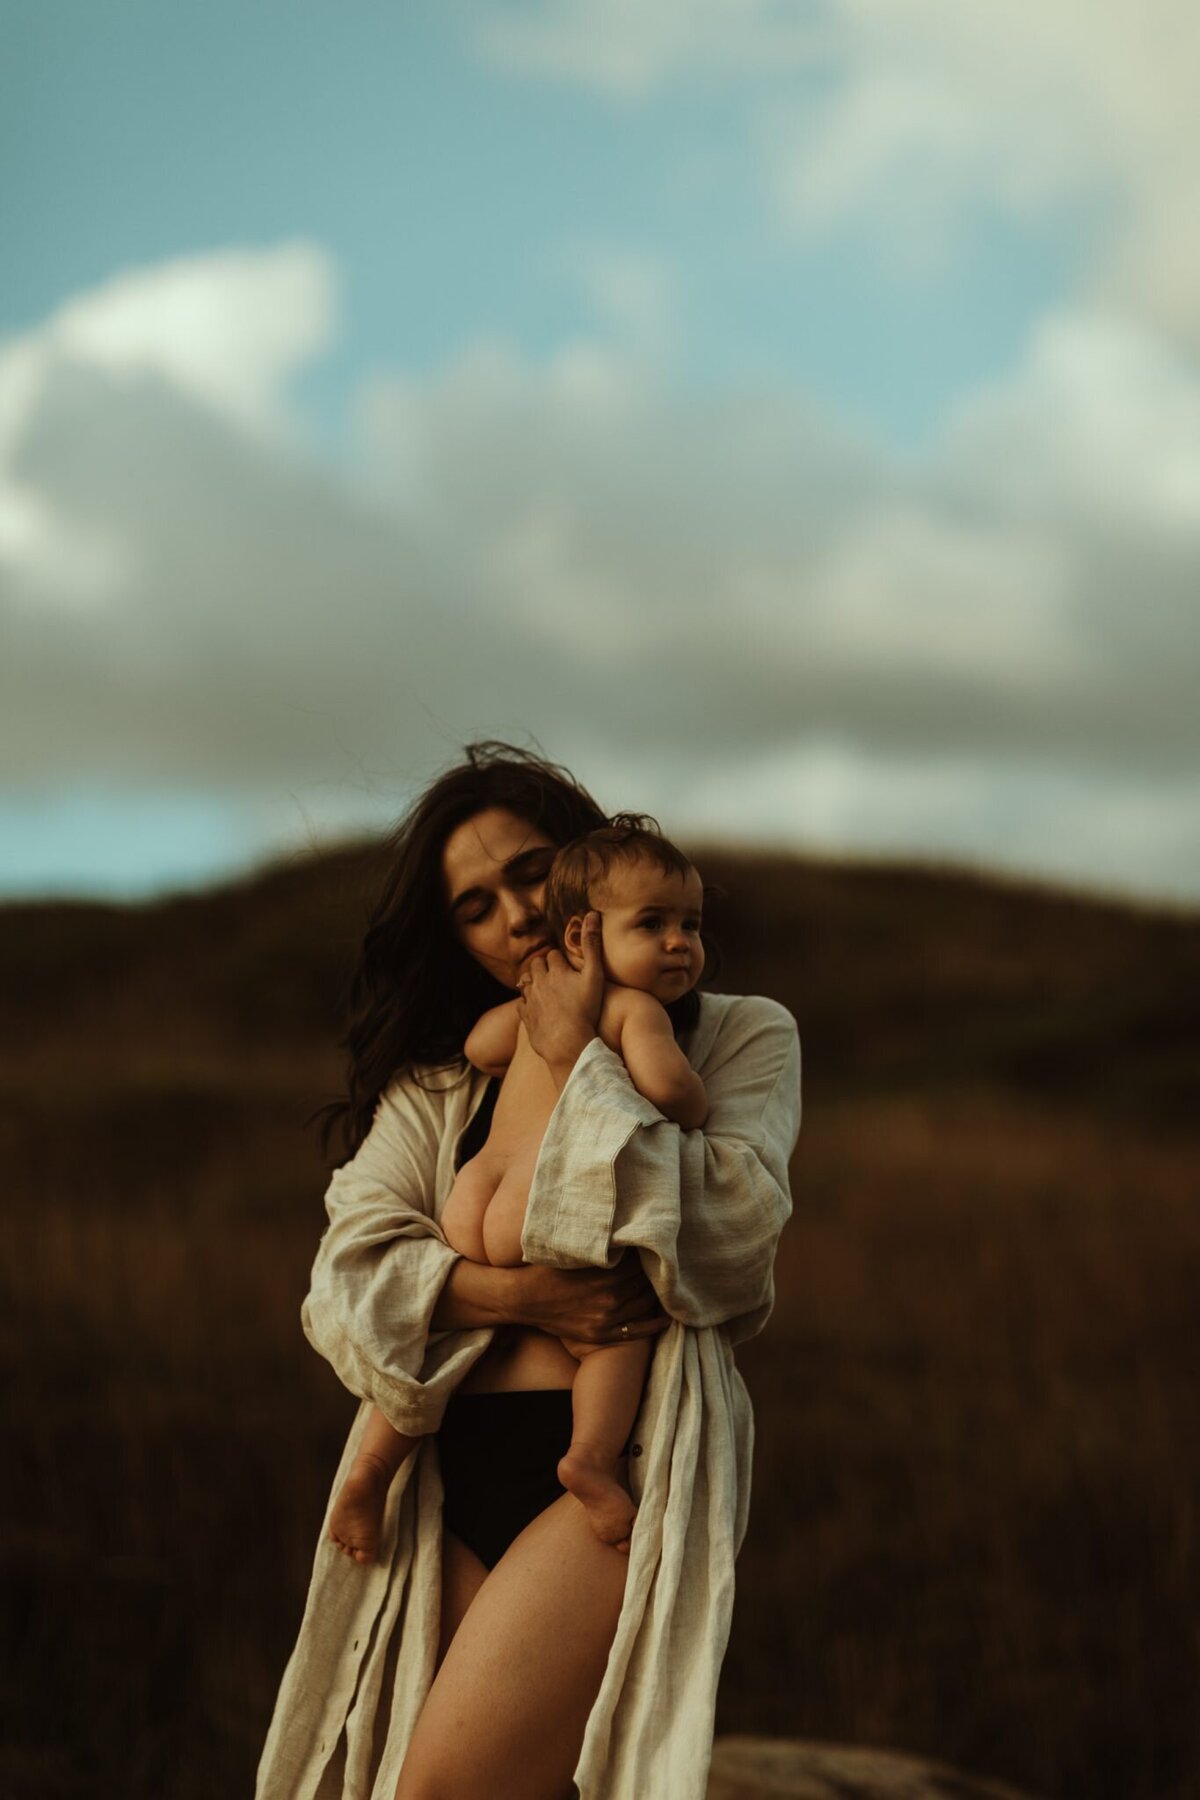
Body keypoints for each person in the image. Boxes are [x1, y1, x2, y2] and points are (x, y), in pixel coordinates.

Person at [256, 742, 802, 1800]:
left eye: (529, 873)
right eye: (473, 905)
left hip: (610, 1462)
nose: (512, 916)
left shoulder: (735, 1036)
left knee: (442, 1792)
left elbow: (730, 1238)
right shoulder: (446, 1084)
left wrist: (583, 1051)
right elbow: (346, 1285)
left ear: (589, 875)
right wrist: (524, 1295)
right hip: (441, 1473)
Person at [327, 820, 710, 1566]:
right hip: (539, 1198)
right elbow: (669, 1092)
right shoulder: (633, 1011)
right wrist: (691, 1103)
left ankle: (372, 1466)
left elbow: (481, 1048)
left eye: (691, 926)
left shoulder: (525, 1012)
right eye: (655, 924)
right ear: (586, 929)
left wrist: (543, 1030)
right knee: (612, 1335)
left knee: (431, 1339)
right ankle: (592, 1459)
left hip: (473, 1201)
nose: (679, 944)